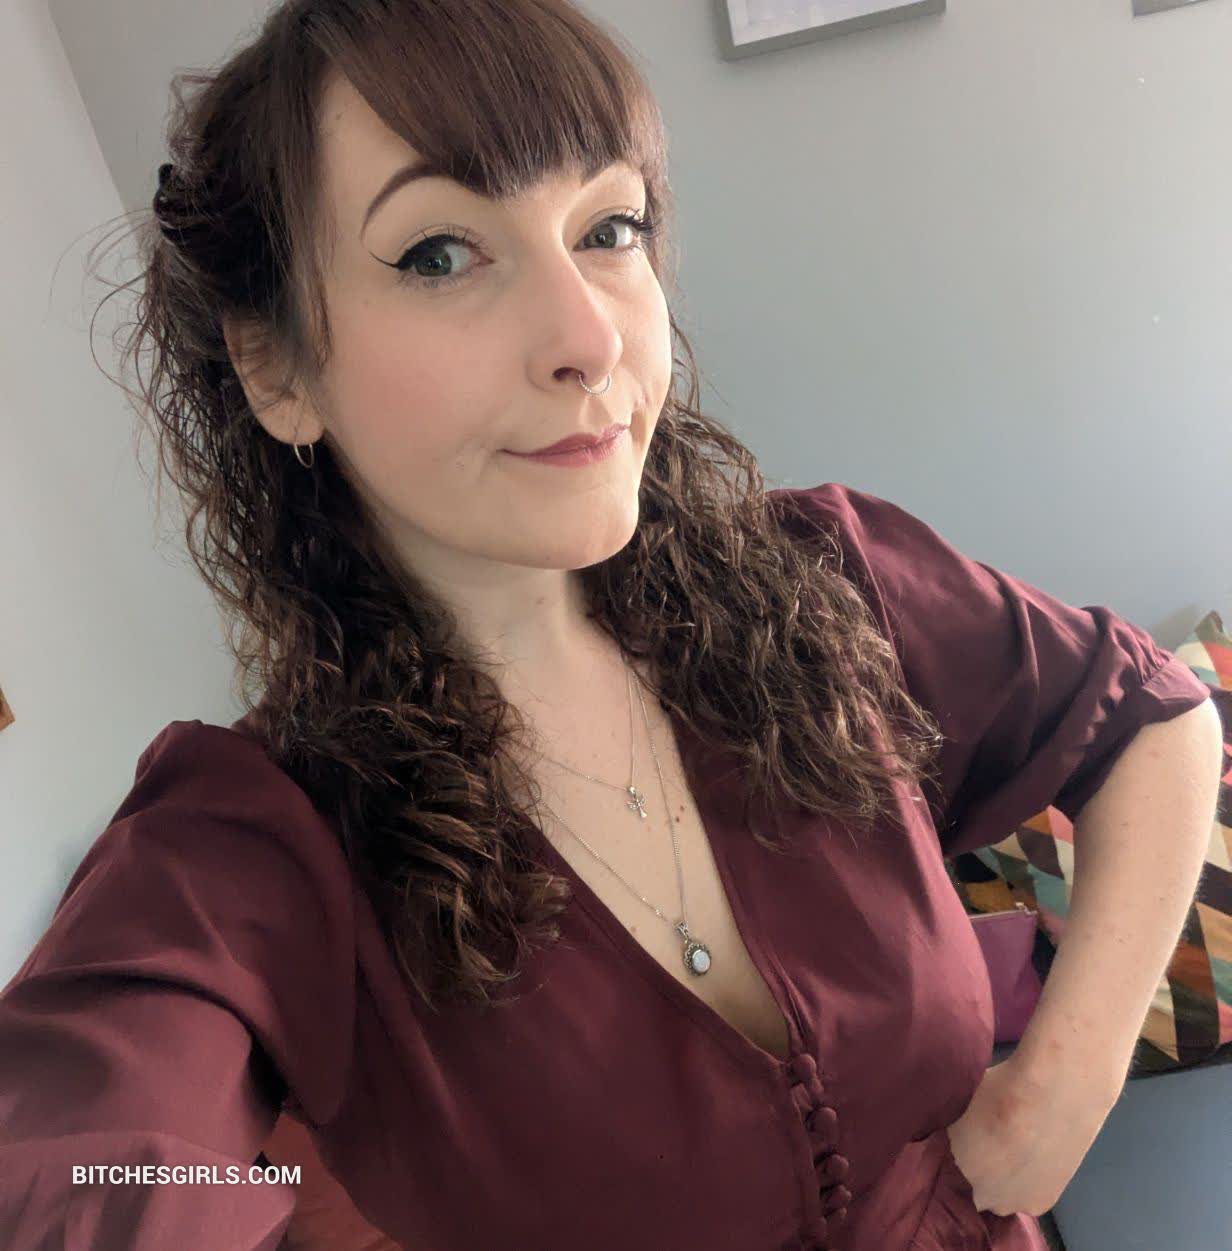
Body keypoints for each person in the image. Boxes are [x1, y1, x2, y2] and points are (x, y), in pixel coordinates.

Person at [0, 2, 1222, 1249]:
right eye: (438, 253)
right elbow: (81, 1168)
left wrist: (1067, 1073)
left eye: (608, 229)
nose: (589, 337)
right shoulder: (257, 844)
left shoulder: (826, 585)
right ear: (275, 367)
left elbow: (1154, 716)